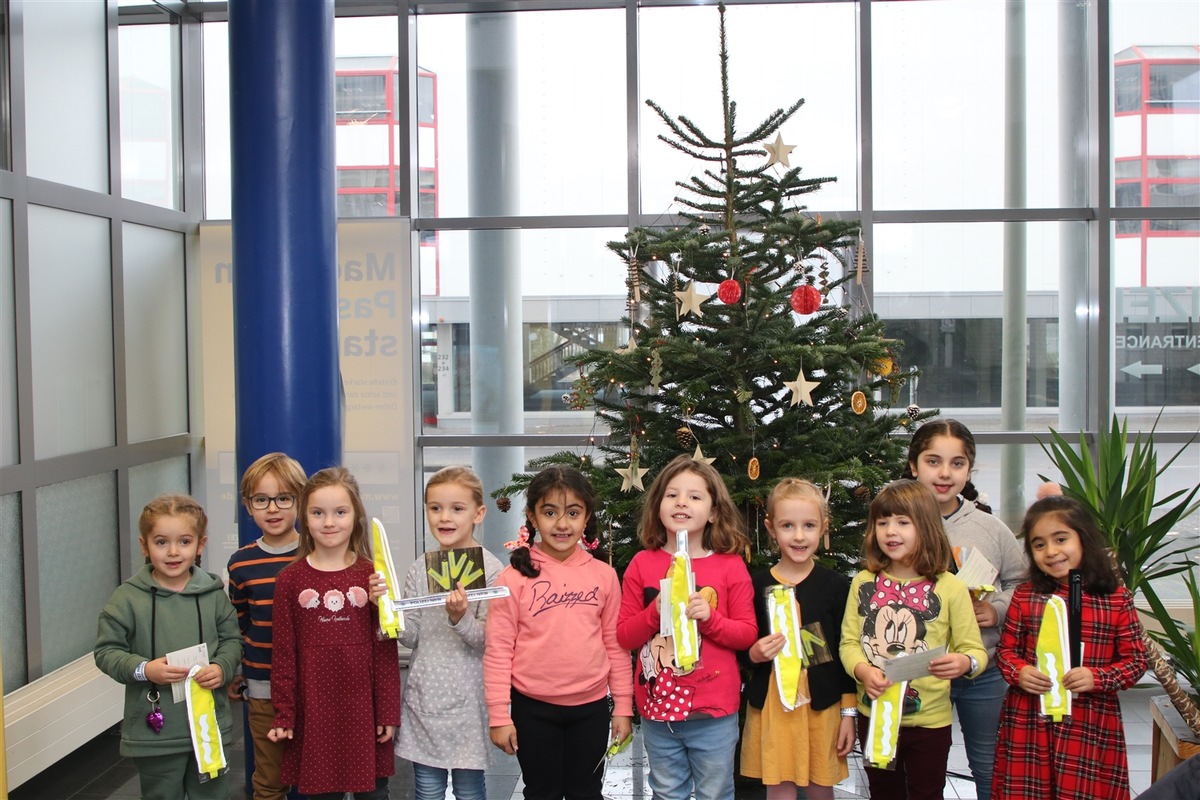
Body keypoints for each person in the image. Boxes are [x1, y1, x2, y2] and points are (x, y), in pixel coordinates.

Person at [483, 465, 633, 800]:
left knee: (586, 793)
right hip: (532, 709)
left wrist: (623, 706)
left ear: (586, 517)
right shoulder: (512, 578)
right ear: (532, 518)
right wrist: (498, 715)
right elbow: (498, 651)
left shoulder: (604, 576)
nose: (562, 524)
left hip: (591, 709)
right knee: (541, 793)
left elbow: (616, 645)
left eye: (573, 513)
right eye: (550, 512)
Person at [616, 454, 758, 800]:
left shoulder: (730, 566)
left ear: (713, 512)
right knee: (666, 790)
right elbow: (624, 635)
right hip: (657, 709)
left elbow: (746, 634)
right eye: (672, 495)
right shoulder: (642, 563)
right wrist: (654, 612)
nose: (682, 502)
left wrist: (710, 620)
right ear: (658, 506)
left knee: (715, 791)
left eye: (695, 497)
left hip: (714, 712)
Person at [901, 419, 1027, 800]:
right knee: (919, 767)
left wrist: (999, 610)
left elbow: (1020, 581)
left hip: (982, 671)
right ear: (913, 466)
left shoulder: (990, 527)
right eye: (933, 461)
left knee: (989, 763)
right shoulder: (896, 525)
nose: (944, 473)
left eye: (957, 463)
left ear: (969, 469)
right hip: (917, 670)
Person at [991, 495, 1148, 800]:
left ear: (1083, 538)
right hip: (1030, 722)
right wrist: (1020, 672)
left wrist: (1097, 678)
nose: (1051, 552)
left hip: (1090, 722)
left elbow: (1136, 661)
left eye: (1060, 539)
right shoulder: (1025, 596)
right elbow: (1006, 652)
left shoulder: (1115, 598)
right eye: (1039, 545)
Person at [839, 479, 987, 800]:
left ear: (926, 527)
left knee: (926, 793)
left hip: (929, 724)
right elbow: (849, 644)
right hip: (873, 716)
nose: (891, 531)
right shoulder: (863, 582)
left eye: (903, 522)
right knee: (882, 792)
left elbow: (975, 651)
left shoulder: (950, 587)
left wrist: (964, 662)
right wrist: (863, 672)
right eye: (883, 522)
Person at [95, 493, 242, 800]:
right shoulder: (127, 598)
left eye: (184, 542)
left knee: (214, 795)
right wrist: (144, 669)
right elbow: (107, 652)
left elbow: (231, 640)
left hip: (208, 728)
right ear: (144, 546)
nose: (173, 552)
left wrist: (222, 667)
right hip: (156, 732)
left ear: (200, 545)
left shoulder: (214, 594)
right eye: (161, 542)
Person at [268, 466, 401, 800]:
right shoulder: (290, 580)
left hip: (364, 711)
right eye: (318, 513)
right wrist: (285, 713)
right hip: (313, 711)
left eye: (340, 512)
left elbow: (386, 650)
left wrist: (387, 711)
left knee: (373, 793)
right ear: (304, 517)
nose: (329, 523)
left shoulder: (373, 576)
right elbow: (283, 655)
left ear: (356, 515)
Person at [740, 478, 857, 800]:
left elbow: (846, 652)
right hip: (774, 707)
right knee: (779, 786)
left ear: (823, 527)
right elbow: (741, 646)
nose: (799, 536)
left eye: (809, 525)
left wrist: (849, 713)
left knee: (822, 784)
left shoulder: (835, 587)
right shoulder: (757, 584)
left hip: (823, 705)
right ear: (771, 528)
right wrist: (753, 653)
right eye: (788, 526)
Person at [396, 466, 504, 800]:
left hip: (470, 701)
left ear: (478, 513)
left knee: (470, 791)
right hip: (424, 697)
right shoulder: (419, 566)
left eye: (457, 508)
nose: (445, 517)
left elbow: (490, 641)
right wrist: (388, 613)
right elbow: (410, 636)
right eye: (435, 507)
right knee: (427, 790)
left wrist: (460, 617)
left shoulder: (492, 570)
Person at [225, 452, 308, 800]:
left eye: (283, 498)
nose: (272, 509)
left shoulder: (317, 553)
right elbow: (240, 621)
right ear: (248, 505)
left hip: (313, 682)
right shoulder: (240, 563)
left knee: (318, 775)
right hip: (263, 685)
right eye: (262, 500)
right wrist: (239, 669)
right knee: (269, 777)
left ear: (300, 502)